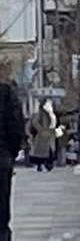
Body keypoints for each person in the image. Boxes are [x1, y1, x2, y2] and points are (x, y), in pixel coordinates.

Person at [0, 78, 23, 241]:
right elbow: (16, 127)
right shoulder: (6, 93)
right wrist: (10, 154)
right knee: (1, 215)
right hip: (1, 161)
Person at [27, 100, 57, 173]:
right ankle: (40, 165)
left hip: (46, 135)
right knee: (41, 152)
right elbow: (35, 122)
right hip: (42, 136)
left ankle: (43, 165)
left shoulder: (48, 114)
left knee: (45, 151)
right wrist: (41, 130)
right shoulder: (41, 113)